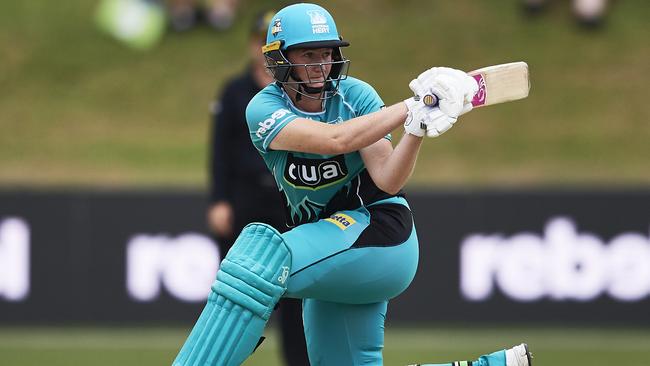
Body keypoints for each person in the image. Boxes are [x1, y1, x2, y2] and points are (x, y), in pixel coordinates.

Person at [173, 3, 533, 366]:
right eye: (307, 54)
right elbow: (336, 141)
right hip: (332, 250)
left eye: (327, 53)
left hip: (381, 233)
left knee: (259, 258)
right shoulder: (262, 108)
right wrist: (412, 106)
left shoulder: (357, 95)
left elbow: (389, 178)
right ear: (280, 58)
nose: (320, 64)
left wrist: (417, 128)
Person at [206, 9, 309, 366]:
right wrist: (219, 199)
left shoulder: (298, 92)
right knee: (239, 296)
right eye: (261, 42)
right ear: (253, 46)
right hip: (246, 199)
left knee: (298, 295)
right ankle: (224, 357)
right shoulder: (234, 91)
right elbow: (220, 150)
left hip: (290, 201)